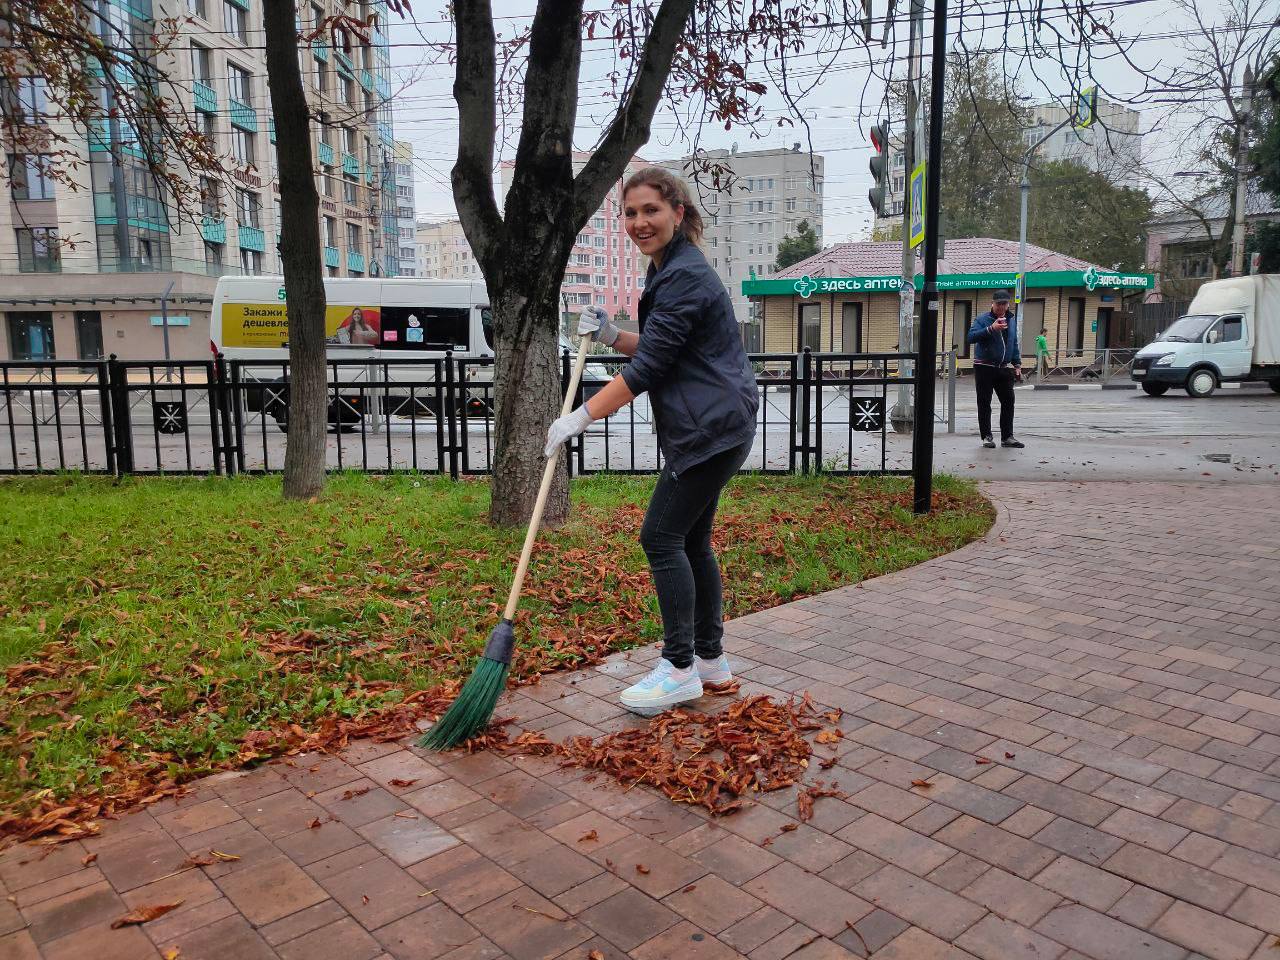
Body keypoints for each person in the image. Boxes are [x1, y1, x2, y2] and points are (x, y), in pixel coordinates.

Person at [544, 166, 759, 716]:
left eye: (652, 211)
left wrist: (578, 418)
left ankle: (680, 668)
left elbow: (652, 368)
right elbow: (665, 346)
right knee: (691, 542)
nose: (641, 222)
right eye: (631, 213)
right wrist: (613, 335)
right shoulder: (670, 271)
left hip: (708, 430)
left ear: (678, 213)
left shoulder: (684, 275)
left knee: (661, 538)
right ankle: (710, 663)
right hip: (716, 424)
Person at [966, 289, 1024, 449]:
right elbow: (971, 337)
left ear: (1008, 304)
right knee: (984, 402)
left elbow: (1013, 342)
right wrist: (991, 329)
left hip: (1003, 367)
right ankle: (986, 436)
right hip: (984, 366)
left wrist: (1017, 363)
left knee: (1008, 401)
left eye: (1004, 304)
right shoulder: (983, 319)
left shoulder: (1011, 320)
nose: (1001, 307)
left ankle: (1007, 437)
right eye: (999, 304)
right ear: (992, 303)